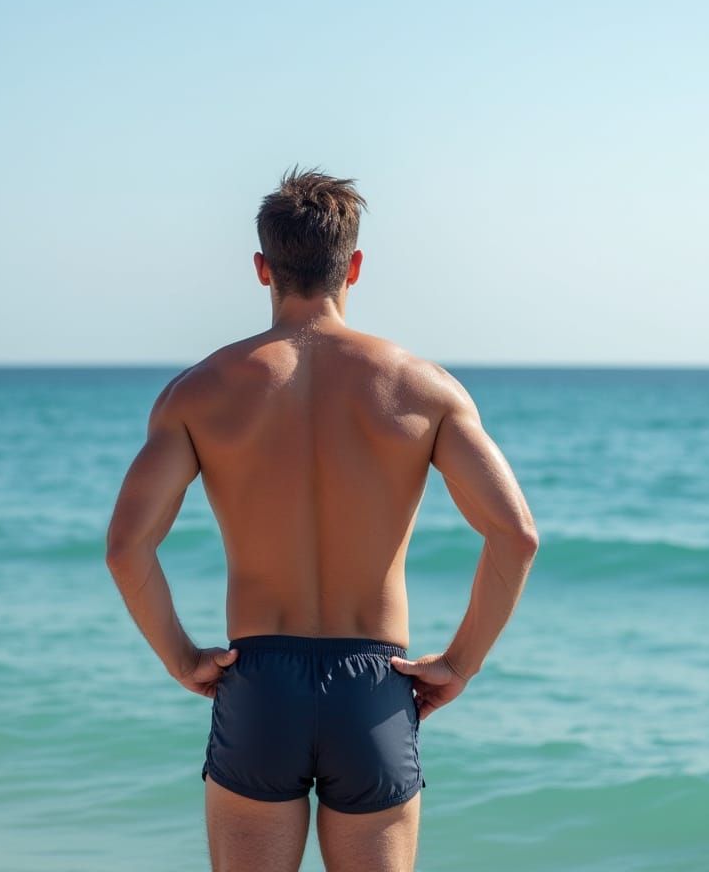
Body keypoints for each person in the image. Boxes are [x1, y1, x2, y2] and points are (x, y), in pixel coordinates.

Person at [105, 166, 540, 872]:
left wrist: (182, 657)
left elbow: (127, 549)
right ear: (355, 266)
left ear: (261, 268)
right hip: (375, 685)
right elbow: (516, 536)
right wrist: (460, 663)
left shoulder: (197, 393)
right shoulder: (423, 389)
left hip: (259, 681)